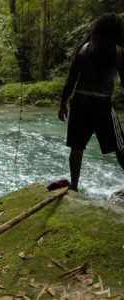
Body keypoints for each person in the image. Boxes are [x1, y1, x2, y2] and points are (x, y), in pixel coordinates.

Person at [59, 13, 124, 191]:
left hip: (80, 101)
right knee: (120, 146)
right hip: (103, 103)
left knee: (76, 147)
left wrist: (62, 104)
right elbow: (123, 82)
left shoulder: (83, 49)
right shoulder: (119, 51)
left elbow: (71, 80)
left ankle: (75, 187)